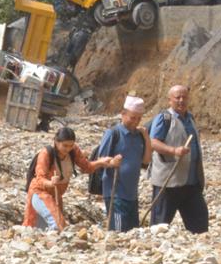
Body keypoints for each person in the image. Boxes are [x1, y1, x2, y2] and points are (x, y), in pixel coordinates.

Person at [24, 125, 120, 231]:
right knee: (56, 224)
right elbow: (40, 178)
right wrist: (50, 183)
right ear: (56, 142)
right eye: (65, 145)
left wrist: (101, 162)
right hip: (40, 193)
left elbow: (86, 167)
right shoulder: (46, 154)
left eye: (70, 145)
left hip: (56, 195)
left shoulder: (73, 151)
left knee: (46, 228)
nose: (68, 149)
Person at [147, 84, 208, 233]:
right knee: (159, 227)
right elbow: (153, 142)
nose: (181, 100)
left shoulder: (190, 118)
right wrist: (173, 150)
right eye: (177, 97)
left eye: (184, 97)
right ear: (169, 100)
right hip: (168, 182)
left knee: (200, 226)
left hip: (191, 182)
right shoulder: (164, 118)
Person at [95, 95, 149, 232]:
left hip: (132, 195)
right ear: (123, 114)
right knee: (118, 234)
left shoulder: (139, 136)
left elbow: (146, 161)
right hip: (115, 193)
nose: (135, 122)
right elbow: (100, 161)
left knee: (132, 234)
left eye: (139, 118)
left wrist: (146, 137)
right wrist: (112, 162)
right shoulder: (113, 133)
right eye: (132, 117)